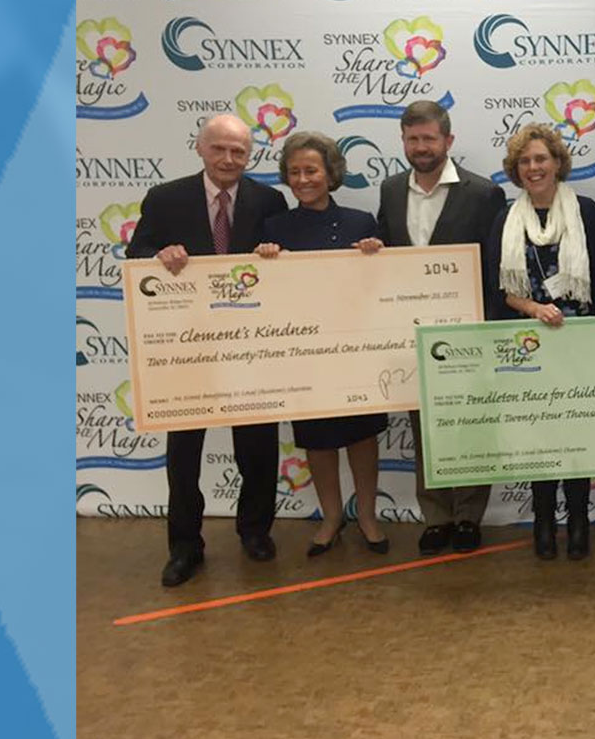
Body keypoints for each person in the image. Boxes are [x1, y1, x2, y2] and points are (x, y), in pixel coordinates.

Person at [125, 114, 291, 587]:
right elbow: (137, 255)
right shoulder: (165, 198)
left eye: (239, 151)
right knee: (183, 452)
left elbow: (288, 268)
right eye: (219, 148)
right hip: (185, 345)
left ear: (250, 155)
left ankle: (255, 531)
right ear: (200, 148)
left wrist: (275, 255)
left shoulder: (270, 200)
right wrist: (158, 256)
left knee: (258, 445)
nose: (228, 159)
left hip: (250, 344)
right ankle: (184, 546)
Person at [482, 123, 595, 560]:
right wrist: (533, 309)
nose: (533, 167)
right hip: (529, 346)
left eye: (541, 158)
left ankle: (579, 520)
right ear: (516, 169)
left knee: (576, 435)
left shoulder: (587, 212)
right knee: (539, 438)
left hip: (580, 346)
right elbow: (497, 289)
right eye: (525, 161)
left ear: (558, 163)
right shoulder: (505, 219)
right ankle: (543, 521)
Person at [376, 100, 507, 555]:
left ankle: (468, 516)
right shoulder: (391, 190)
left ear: (448, 140)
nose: (421, 147)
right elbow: (387, 256)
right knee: (423, 428)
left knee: (470, 424)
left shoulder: (483, 193)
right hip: (411, 330)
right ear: (403, 141)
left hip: (468, 331)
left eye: (429, 138)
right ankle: (436, 516)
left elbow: (494, 266)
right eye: (412, 139)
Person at [253, 132, 390, 558]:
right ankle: (331, 517)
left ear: (331, 174)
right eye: (294, 172)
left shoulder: (361, 223)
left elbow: (380, 287)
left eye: (311, 170)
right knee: (318, 440)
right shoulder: (275, 228)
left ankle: (367, 516)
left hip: (355, 349)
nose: (302, 179)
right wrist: (264, 260)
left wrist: (375, 255)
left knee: (362, 436)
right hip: (305, 353)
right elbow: (263, 294)